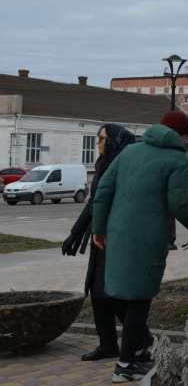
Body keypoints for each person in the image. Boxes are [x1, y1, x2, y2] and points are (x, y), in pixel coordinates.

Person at [93, 111, 188, 383]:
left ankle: (133, 355)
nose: (185, 141)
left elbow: (103, 192)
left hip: (117, 235)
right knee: (139, 300)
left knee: (126, 295)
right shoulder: (177, 159)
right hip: (147, 239)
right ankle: (124, 366)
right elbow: (179, 204)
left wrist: (98, 229)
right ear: (181, 135)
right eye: (186, 136)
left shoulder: (129, 152)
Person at [62, 124, 153, 362]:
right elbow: (94, 202)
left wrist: (76, 232)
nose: (97, 143)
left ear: (114, 141)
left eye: (101, 138)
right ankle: (108, 344)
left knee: (111, 292)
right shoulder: (104, 163)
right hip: (100, 235)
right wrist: (76, 234)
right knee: (96, 289)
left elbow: (102, 202)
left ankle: (142, 337)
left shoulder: (124, 165)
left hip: (116, 236)